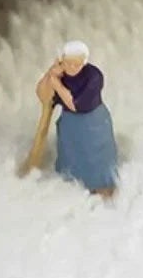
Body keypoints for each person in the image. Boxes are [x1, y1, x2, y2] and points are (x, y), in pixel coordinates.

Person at [35, 41, 118, 196]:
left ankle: (104, 190)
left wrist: (57, 84)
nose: (72, 67)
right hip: (70, 125)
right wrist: (50, 74)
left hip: (94, 124)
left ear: (84, 62)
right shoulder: (60, 75)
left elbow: (75, 105)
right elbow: (42, 94)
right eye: (68, 63)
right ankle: (69, 187)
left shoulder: (94, 76)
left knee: (97, 160)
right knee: (71, 158)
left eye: (76, 64)